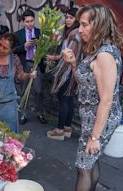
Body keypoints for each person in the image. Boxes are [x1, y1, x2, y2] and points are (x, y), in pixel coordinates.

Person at [52, 4, 123, 191]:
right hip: (93, 115)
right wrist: (74, 64)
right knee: (92, 160)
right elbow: (86, 82)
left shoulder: (104, 55)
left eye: (84, 24)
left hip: (99, 117)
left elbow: (107, 99)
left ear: (98, 24)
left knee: (84, 164)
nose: (80, 29)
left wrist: (94, 137)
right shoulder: (98, 50)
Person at [46, 7, 81, 140]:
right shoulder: (75, 32)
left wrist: (55, 58)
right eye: (66, 17)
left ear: (77, 19)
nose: (67, 20)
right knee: (69, 99)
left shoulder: (75, 34)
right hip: (73, 70)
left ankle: (59, 130)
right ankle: (67, 128)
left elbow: (68, 54)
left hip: (68, 70)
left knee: (64, 99)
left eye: (71, 17)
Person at [13, 9, 47, 125]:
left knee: (38, 90)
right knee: (24, 90)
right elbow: (13, 50)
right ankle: (23, 114)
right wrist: (24, 46)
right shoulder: (18, 34)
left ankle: (40, 113)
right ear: (23, 22)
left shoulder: (39, 32)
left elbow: (46, 48)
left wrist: (40, 45)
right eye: (27, 22)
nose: (30, 24)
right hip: (24, 64)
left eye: (32, 21)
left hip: (36, 63)